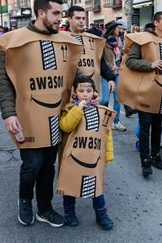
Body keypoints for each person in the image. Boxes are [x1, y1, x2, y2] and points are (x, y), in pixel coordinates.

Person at [0, 0, 83, 227]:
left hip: (55, 115)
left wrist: (88, 91)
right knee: (32, 165)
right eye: (55, 13)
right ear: (41, 13)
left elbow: (74, 73)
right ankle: (24, 201)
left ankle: (45, 208)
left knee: (48, 166)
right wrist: (8, 113)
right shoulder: (12, 42)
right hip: (27, 116)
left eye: (61, 14)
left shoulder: (65, 41)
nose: (59, 19)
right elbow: (4, 81)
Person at [118, 11, 162, 178]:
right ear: (156, 23)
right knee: (145, 128)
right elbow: (130, 61)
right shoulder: (142, 39)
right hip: (146, 92)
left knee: (157, 126)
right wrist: (150, 64)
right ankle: (145, 161)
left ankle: (155, 155)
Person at [57, 73, 115, 229]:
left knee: (96, 187)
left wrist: (108, 155)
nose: (85, 94)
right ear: (75, 92)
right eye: (81, 91)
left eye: (89, 91)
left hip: (92, 159)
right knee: (70, 185)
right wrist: (78, 109)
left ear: (94, 92)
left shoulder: (101, 110)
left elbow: (106, 134)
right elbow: (65, 126)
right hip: (73, 158)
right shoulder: (69, 108)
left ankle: (101, 215)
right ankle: (69, 212)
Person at [67, 5, 115, 102]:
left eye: (83, 18)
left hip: (91, 90)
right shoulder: (61, 39)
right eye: (77, 18)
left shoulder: (91, 39)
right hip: (71, 92)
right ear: (69, 19)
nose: (81, 21)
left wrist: (110, 78)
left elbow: (99, 61)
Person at [101, 20, 126, 131]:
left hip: (117, 73)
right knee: (105, 99)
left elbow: (118, 56)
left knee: (117, 99)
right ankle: (104, 120)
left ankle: (116, 122)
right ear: (112, 29)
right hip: (106, 74)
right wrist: (110, 67)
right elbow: (100, 59)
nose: (119, 30)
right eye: (117, 28)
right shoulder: (103, 42)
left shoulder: (118, 41)